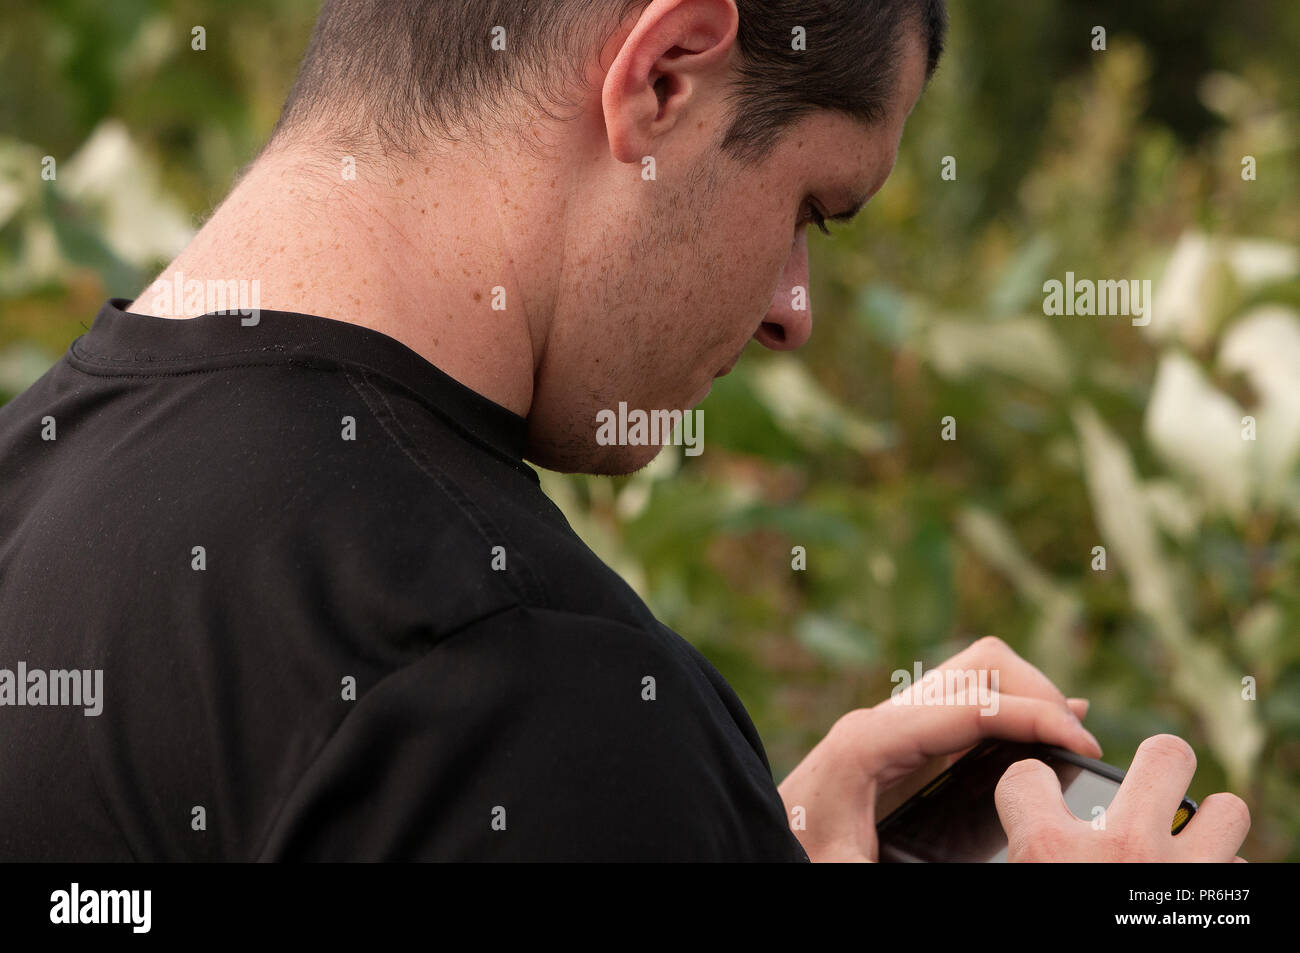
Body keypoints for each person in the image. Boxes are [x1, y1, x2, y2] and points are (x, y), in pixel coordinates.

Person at [0, 0, 1248, 861]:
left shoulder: (33, 481)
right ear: (664, 74)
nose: (791, 313)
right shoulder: (525, 676)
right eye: (813, 206)